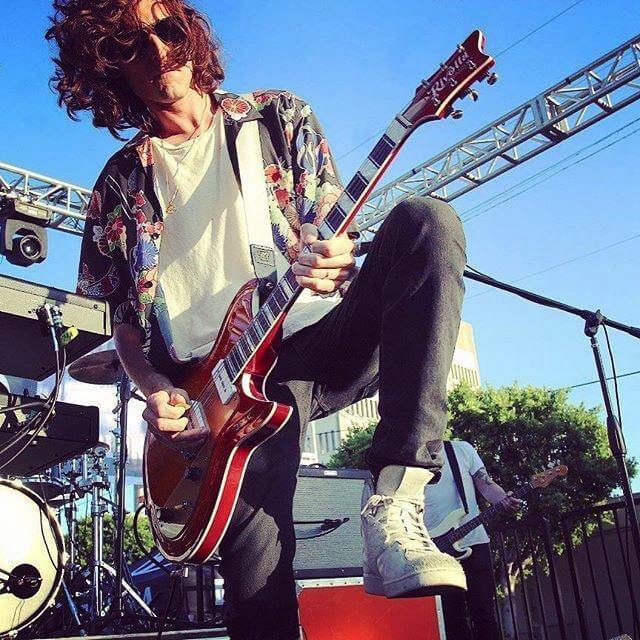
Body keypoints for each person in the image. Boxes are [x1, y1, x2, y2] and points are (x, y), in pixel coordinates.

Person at [47, 1, 469, 637]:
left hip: (315, 335)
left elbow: (328, 226)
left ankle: (397, 495)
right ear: (106, 66)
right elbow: (124, 327)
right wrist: (156, 388)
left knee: (426, 222)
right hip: (213, 398)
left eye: (167, 30)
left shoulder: (277, 117)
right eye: (131, 44)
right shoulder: (117, 187)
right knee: (257, 587)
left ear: (190, 32)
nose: (159, 52)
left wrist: (335, 258)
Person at [424, 439, 523, 640]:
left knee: (484, 614)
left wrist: (503, 498)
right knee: (452, 620)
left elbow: (486, 485)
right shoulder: (410, 459)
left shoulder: (462, 450)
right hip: (436, 549)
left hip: (474, 542)